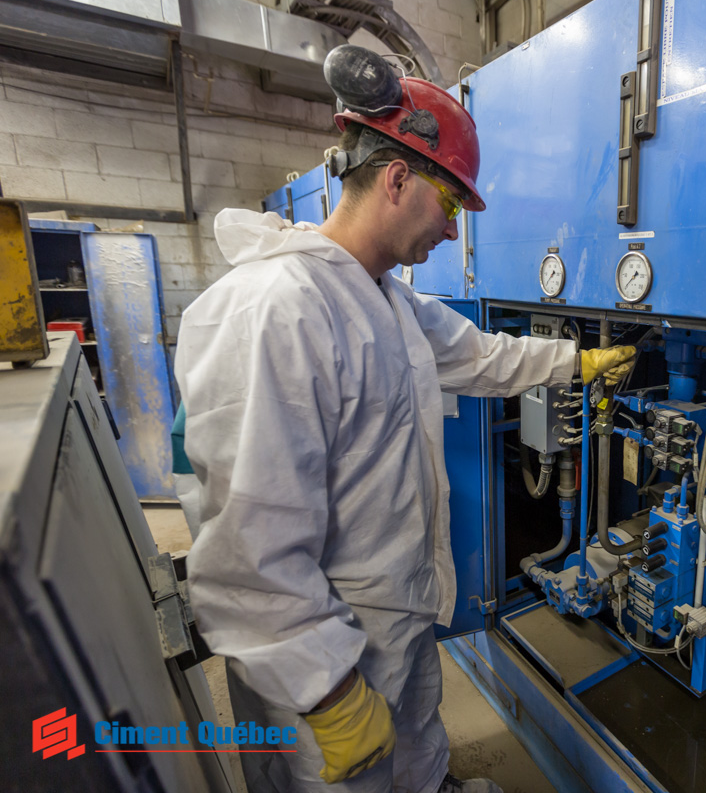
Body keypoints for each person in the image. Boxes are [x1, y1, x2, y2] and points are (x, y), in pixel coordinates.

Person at [174, 45, 634, 793]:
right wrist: (329, 693)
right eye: (451, 205)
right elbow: (247, 551)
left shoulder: (382, 297)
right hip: (326, 657)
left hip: (396, 614)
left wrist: (573, 366)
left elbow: (479, 356)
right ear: (396, 179)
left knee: (417, 750)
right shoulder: (275, 312)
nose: (453, 233)